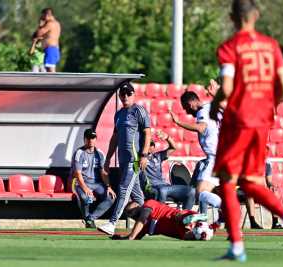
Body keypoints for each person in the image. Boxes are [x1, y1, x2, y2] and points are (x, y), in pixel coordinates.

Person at [210, 0, 283, 262]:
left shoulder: (230, 47)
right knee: (251, 183)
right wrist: (267, 105)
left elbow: (227, 88)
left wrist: (215, 103)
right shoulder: (271, 46)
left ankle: (237, 247)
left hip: (238, 120)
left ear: (232, 18)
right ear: (257, 15)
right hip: (263, 122)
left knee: (228, 182)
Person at [97, 82, 151, 236]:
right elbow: (114, 138)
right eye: (123, 94)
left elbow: (147, 133)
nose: (125, 96)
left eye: (128, 93)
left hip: (134, 160)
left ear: (133, 94)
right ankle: (149, 222)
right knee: (138, 196)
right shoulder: (119, 114)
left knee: (123, 189)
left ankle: (112, 223)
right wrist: (108, 158)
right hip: (123, 160)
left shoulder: (139, 111)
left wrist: (144, 155)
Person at [169, 91, 223, 215]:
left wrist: (178, 122)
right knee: (215, 190)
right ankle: (216, 216)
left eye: (186, 108)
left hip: (215, 158)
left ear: (191, 102)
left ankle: (226, 209)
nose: (187, 112)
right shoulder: (211, 107)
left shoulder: (202, 111)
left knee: (201, 193)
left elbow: (201, 128)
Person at [70, 129, 116, 228]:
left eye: (93, 138)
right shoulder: (79, 152)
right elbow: (78, 174)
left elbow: (103, 172)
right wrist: (85, 188)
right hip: (81, 183)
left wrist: (108, 186)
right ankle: (88, 221)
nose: (91, 140)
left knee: (111, 197)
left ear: (96, 139)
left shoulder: (100, 153)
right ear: (84, 139)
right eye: (88, 138)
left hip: (96, 183)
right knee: (85, 197)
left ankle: (90, 218)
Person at [141, 130, 195, 210]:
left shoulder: (158, 156)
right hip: (152, 188)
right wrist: (143, 155)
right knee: (162, 190)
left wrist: (167, 137)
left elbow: (173, 147)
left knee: (191, 191)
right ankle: (160, 219)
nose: (150, 146)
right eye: (148, 144)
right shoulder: (139, 159)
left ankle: (185, 217)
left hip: (165, 186)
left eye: (152, 144)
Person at [110, 200, 207, 240]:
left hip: (178, 217)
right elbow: (136, 237)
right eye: (129, 214)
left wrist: (131, 236)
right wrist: (121, 238)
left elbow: (142, 218)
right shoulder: (143, 227)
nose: (131, 215)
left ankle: (199, 217)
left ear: (137, 205)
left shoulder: (149, 203)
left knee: (182, 218)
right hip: (179, 231)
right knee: (188, 236)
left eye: (131, 211)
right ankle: (200, 232)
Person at [243, 161, 283, 229]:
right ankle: (252, 222)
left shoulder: (267, 164)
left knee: (273, 193)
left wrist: (271, 186)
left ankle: (275, 222)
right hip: (244, 190)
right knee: (249, 194)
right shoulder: (247, 162)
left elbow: (269, 182)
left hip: (259, 191)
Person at [35, 8, 61, 72]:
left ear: (47, 15)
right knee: (48, 69)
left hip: (51, 49)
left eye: (42, 16)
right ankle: (53, 82)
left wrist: (40, 25)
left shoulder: (50, 24)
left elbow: (38, 34)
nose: (42, 18)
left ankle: (55, 82)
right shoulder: (57, 23)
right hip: (54, 49)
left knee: (50, 70)